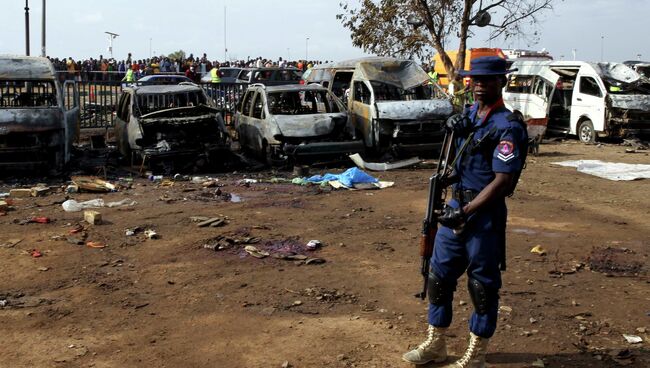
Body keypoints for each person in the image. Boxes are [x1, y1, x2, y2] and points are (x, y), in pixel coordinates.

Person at [402, 56, 528, 368]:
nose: (480, 85)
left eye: (488, 80)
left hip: (482, 214)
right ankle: (436, 343)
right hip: (454, 208)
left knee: (482, 285)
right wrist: (451, 130)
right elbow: (455, 166)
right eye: (476, 79)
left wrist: (467, 210)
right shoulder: (467, 117)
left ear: (502, 82)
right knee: (439, 277)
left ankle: (476, 355)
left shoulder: (507, 126)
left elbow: (503, 182)